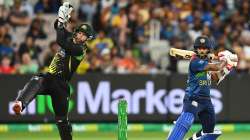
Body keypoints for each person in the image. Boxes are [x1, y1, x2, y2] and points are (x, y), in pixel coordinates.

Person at [12, 2, 95, 140]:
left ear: (87, 39)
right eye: (79, 33)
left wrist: (62, 22)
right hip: (49, 79)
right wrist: (61, 19)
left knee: (62, 121)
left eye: (84, 35)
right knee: (37, 78)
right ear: (76, 32)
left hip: (61, 86)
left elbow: (60, 40)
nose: (80, 36)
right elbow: (57, 27)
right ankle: (20, 104)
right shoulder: (70, 38)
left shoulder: (80, 50)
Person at [167, 36, 236, 140]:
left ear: (208, 49)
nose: (202, 50)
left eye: (204, 48)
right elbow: (216, 67)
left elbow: (215, 77)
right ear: (196, 49)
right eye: (200, 48)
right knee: (186, 120)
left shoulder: (206, 62)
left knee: (210, 132)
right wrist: (225, 60)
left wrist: (227, 69)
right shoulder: (195, 62)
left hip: (206, 101)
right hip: (193, 98)